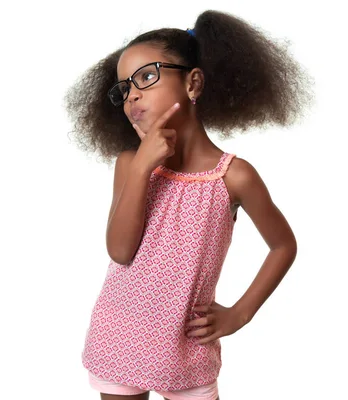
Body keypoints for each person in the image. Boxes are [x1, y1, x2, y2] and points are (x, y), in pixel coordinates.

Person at [63, 9, 312, 400]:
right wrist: (144, 163)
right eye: (124, 88)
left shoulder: (233, 176)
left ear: (193, 82)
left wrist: (240, 313)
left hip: (186, 345)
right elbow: (120, 251)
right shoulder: (130, 164)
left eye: (146, 76)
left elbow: (283, 246)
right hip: (118, 334)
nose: (133, 95)